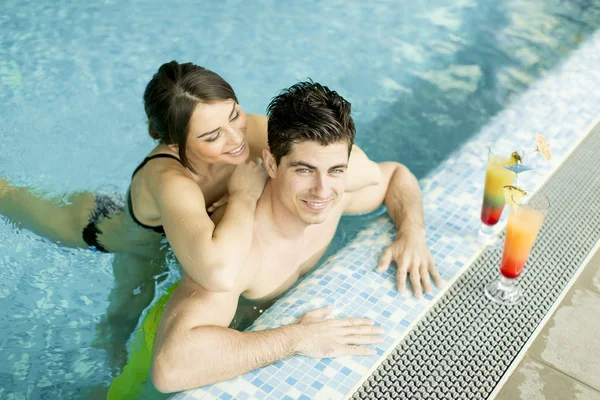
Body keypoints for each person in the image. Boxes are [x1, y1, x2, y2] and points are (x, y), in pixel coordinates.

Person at [0, 61, 381, 371]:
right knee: (124, 309)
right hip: (117, 233)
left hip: (185, 235)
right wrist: (244, 195)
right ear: (174, 143)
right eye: (212, 136)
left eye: (234, 115)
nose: (234, 139)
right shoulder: (170, 180)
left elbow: (365, 173)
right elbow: (217, 272)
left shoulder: (247, 132)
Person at [146, 81, 442, 394]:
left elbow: (396, 175)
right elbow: (171, 368)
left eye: (336, 170)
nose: (322, 190)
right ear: (271, 163)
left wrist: (412, 232)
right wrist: (296, 339)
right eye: (304, 170)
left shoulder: (334, 195)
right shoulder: (241, 249)